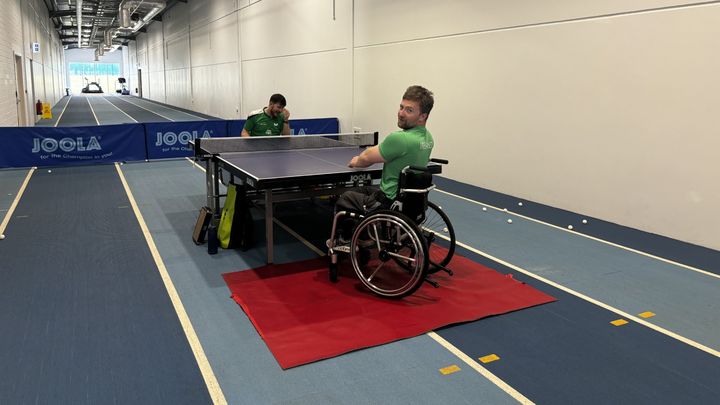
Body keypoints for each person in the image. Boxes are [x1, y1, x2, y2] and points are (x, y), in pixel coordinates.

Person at [335, 85, 435, 240]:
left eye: (409, 110)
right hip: (411, 202)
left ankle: (347, 240)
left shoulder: (400, 139)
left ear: (423, 116)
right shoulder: (428, 139)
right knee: (365, 190)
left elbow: (366, 159)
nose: (401, 113)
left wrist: (356, 161)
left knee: (345, 197)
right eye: (401, 107)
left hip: (387, 202)